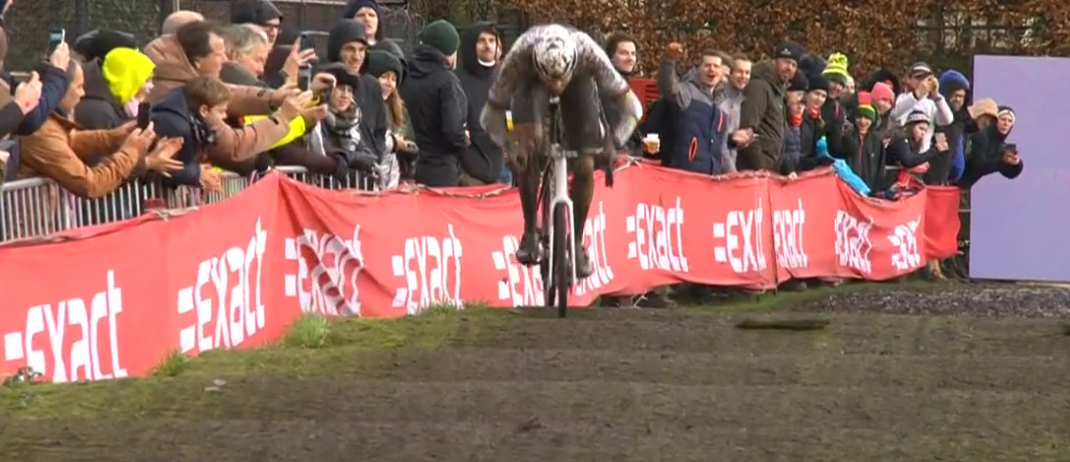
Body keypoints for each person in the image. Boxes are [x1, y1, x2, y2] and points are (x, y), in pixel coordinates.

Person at [479, 24, 642, 278]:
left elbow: (634, 110)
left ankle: (576, 242)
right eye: (551, 79)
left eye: (559, 79)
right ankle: (530, 231)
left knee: (586, 161)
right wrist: (511, 142)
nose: (556, 85)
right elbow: (492, 116)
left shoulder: (589, 54)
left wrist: (615, 141)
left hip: (579, 81)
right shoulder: (521, 54)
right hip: (531, 83)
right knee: (529, 147)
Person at [19, 60, 182, 198]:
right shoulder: (41, 132)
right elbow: (90, 183)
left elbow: (73, 140)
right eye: (79, 87)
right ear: (59, 90)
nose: (83, 93)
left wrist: (116, 137)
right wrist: (131, 152)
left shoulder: (47, 124)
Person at [399, 19, 467, 187]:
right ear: (450, 51)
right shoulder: (447, 80)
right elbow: (452, 131)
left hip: (406, 166)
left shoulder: (404, 74)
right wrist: (464, 140)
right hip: (441, 170)